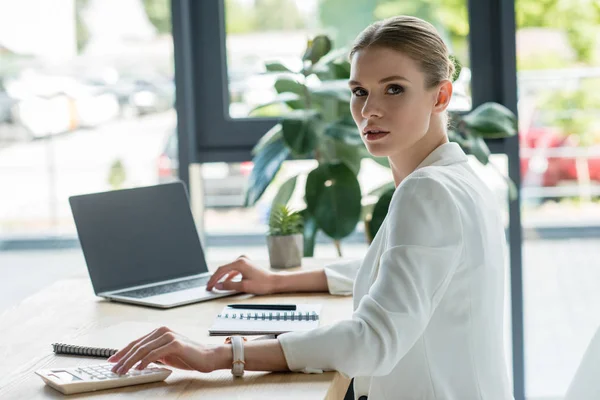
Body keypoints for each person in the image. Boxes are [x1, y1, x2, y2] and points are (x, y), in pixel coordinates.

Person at [108, 15, 513, 400]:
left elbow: (372, 342)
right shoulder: (460, 178)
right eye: (359, 91)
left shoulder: (427, 191)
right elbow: (401, 268)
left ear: (440, 95)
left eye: (394, 88)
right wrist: (274, 282)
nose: (369, 109)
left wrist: (224, 354)